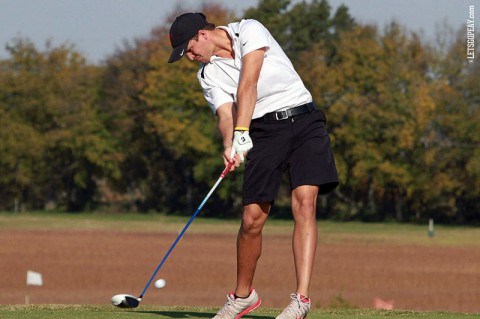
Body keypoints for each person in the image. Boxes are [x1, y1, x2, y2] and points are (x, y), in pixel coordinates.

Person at [168, 12, 339, 319]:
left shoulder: (249, 30)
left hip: (304, 121)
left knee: (305, 203)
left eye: (190, 49)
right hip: (264, 132)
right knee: (252, 220)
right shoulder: (207, 75)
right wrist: (229, 144)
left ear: (202, 35)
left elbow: (249, 83)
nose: (190, 57)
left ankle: (300, 300)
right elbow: (225, 115)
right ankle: (244, 296)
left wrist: (241, 132)